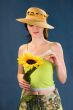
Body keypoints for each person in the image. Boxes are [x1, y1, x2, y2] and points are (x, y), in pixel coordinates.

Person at [16, 7, 67, 110]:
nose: (35, 28)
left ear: (44, 27)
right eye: (31, 25)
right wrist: (20, 78)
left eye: (39, 25)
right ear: (27, 27)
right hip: (27, 100)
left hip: (50, 101)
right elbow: (20, 73)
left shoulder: (55, 47)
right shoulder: (23, 49)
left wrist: (58, 63)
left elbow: (63, 79)